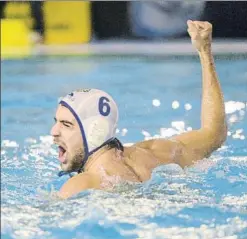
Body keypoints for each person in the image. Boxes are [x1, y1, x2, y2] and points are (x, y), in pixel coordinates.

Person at [51, 20, 227, 199]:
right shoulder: (156, 154)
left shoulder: (82, 184)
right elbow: (214, 133)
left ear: (94, 131)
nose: (54, 132)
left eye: (66, 125)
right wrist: (204, 51)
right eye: (56, 122)